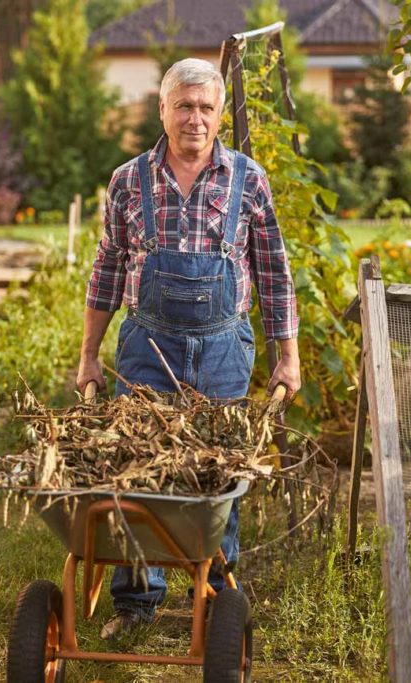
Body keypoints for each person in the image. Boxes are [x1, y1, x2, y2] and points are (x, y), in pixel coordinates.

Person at [76, 58, 301, 639]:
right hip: (147, 348)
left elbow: (273, 271)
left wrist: (288, 353)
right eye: (183, 106)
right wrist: (88, 355)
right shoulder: (129, 181)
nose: (194, 119)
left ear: (220, 114)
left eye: (205, 108)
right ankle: (136, 603)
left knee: (217, 476)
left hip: (224, 348)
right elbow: (106, 270)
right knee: (139, 470)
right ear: (162, 109)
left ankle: (218, 594)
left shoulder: (247, 179)